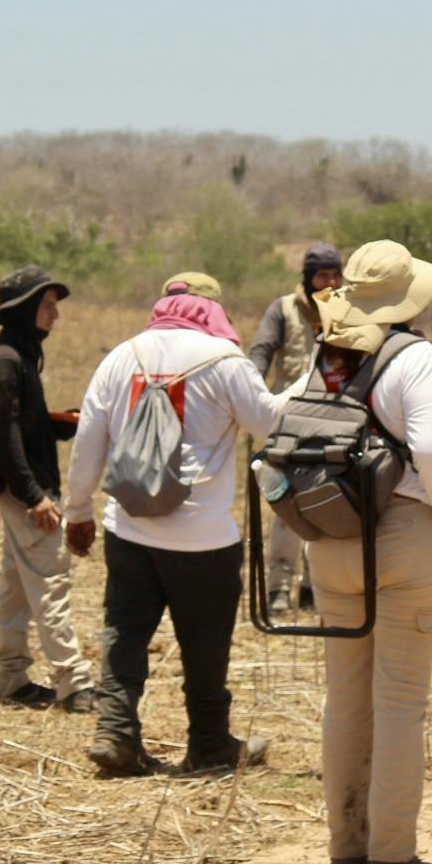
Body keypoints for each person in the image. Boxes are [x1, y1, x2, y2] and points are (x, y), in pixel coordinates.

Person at [305, 241, 432, 864]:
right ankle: (391, 858)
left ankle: (345, 855)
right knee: (401, 703)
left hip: (330, 533)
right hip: (405, 535)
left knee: (345, 700)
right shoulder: (416, 357)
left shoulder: (327, 355)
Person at [65, 289, 281, 777]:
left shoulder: (121, 356)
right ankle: (209, 743)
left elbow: (88, 441)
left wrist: (77, 511)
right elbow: (268, 423)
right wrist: (308, 381)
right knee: (205, 644)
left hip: (128, 529)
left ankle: (115, 732)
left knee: (124, 632)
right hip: (203, 539)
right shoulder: (227, 361)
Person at [0, 266, 95, 712]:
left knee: (16, 587)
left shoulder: (18, 356)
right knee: (51, 581)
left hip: (25, 488)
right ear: (24, 309)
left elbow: (20, 426)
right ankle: (74, 683)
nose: (55, 314)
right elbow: (3, 436)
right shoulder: (6, 363)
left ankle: (11, 679)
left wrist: (60, 425)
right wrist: (35, 497)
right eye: (47, 305)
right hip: (28, 492)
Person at [249, 243, 347, 615]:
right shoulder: (284, 309)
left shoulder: (347, 313)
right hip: (288, 425)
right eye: (323, 275)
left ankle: (312, 586)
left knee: (327, 502)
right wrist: (252, 396)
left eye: (336, 274)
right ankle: (278, 587)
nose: (331, 282)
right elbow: (261, 352)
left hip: (334, 424)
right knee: (286, 506)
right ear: (308, 278)